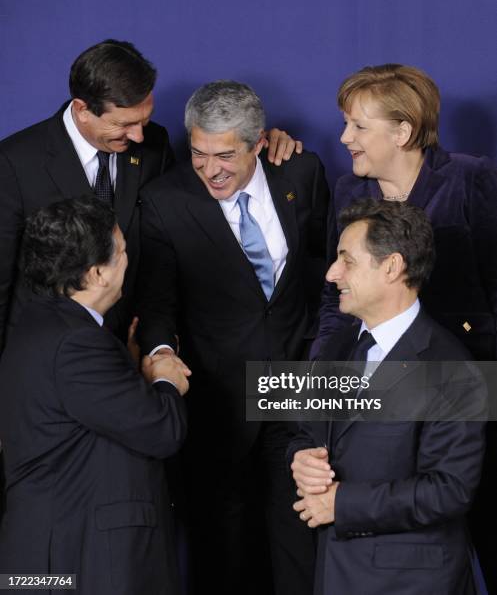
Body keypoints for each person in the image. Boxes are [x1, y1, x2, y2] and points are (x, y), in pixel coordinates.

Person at [137, 80, 329, 595]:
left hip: (297, 397)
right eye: (199, 154)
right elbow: (158, 304)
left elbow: (330, 272)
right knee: (224, 556)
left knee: (300, 547)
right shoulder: (164, 201)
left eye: (225, 155)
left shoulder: (301, 173)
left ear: (259, 143)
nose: (210, 169)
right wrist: (159, 354)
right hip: (219, 407)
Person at [312, 64, 497, 589]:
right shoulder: (349, 189)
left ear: (403, 131)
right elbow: (333, 302)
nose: (345, 138)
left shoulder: (471, 178)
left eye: (358, 127)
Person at [0, 38, 301, 353]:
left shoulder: (153, 145)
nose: (138, 135)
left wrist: (261, 148)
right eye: (125, 124)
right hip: (49, 353)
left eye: (144, 120)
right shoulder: (15, 163)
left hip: (130, 351)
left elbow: (168, 242)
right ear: (83, 110)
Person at [290, 199, 486, 595]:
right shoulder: (337, 348)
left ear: (392, 267)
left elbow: (449, 489)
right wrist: (300, 460)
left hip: (412, 582)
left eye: (347, 260)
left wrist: (341, 504)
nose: (331, 273)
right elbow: (304, 434)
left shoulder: (453, 366)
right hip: (335, 572)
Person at [0, 196, 191, 594]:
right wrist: (165, 380)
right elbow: (162, 430)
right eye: (121, 252)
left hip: (54, 550)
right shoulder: (76, 343)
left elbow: (91, 414)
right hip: (81, 558)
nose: (127, 259)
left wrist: (130, 371)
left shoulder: (41, 325)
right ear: (97, 274)